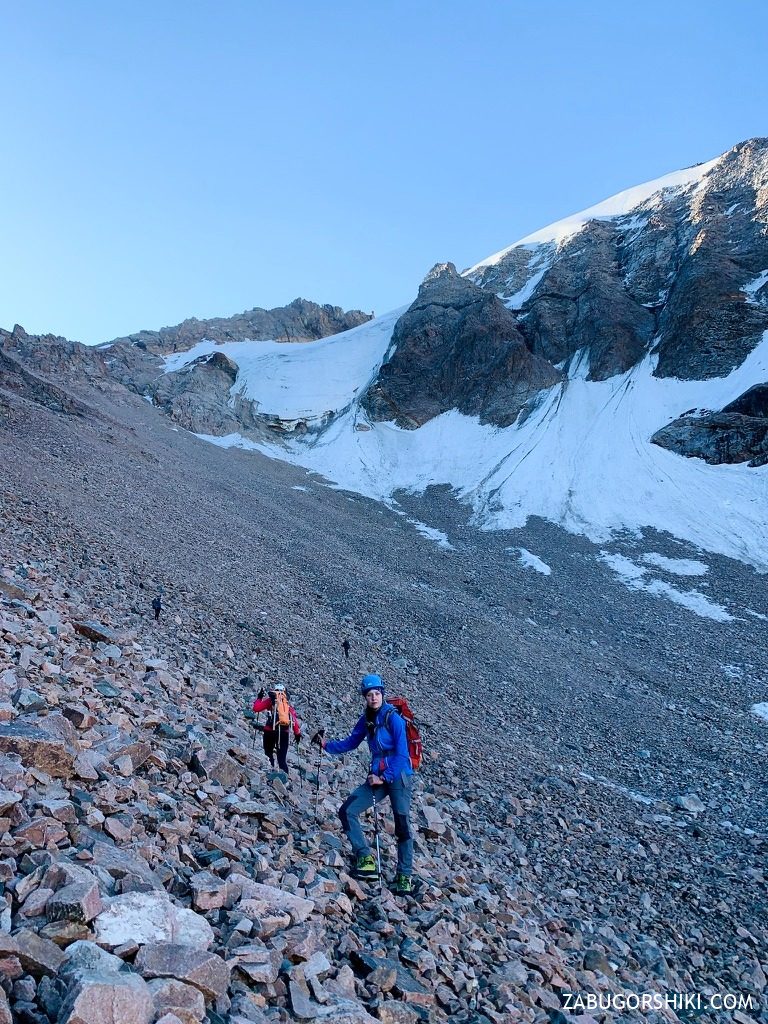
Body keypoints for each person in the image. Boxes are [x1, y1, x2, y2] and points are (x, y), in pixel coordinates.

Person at [312, 674, 414, 895]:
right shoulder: (367, 719)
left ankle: (404, 877)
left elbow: (403, 754)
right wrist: (326, 745)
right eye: (370, 695)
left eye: (377, 693)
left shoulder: (393, 718)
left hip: (398, 776)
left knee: (402, 825)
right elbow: (351, 742)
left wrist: (384, 777)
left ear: (382, 694)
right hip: (378, 776)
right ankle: (365, 858)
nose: (374, 698)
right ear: (365, 697)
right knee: (347, 810)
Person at [252, 684, 301, 772]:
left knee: (268, 754)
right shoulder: (287, 704)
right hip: (284, 732)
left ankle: (270, 771)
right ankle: (284, 780)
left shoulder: (271, 700)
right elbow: (294, 722)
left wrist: (259, 698)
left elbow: (256, 708)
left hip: (269, 731)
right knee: (282, 760)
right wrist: (297, 734)